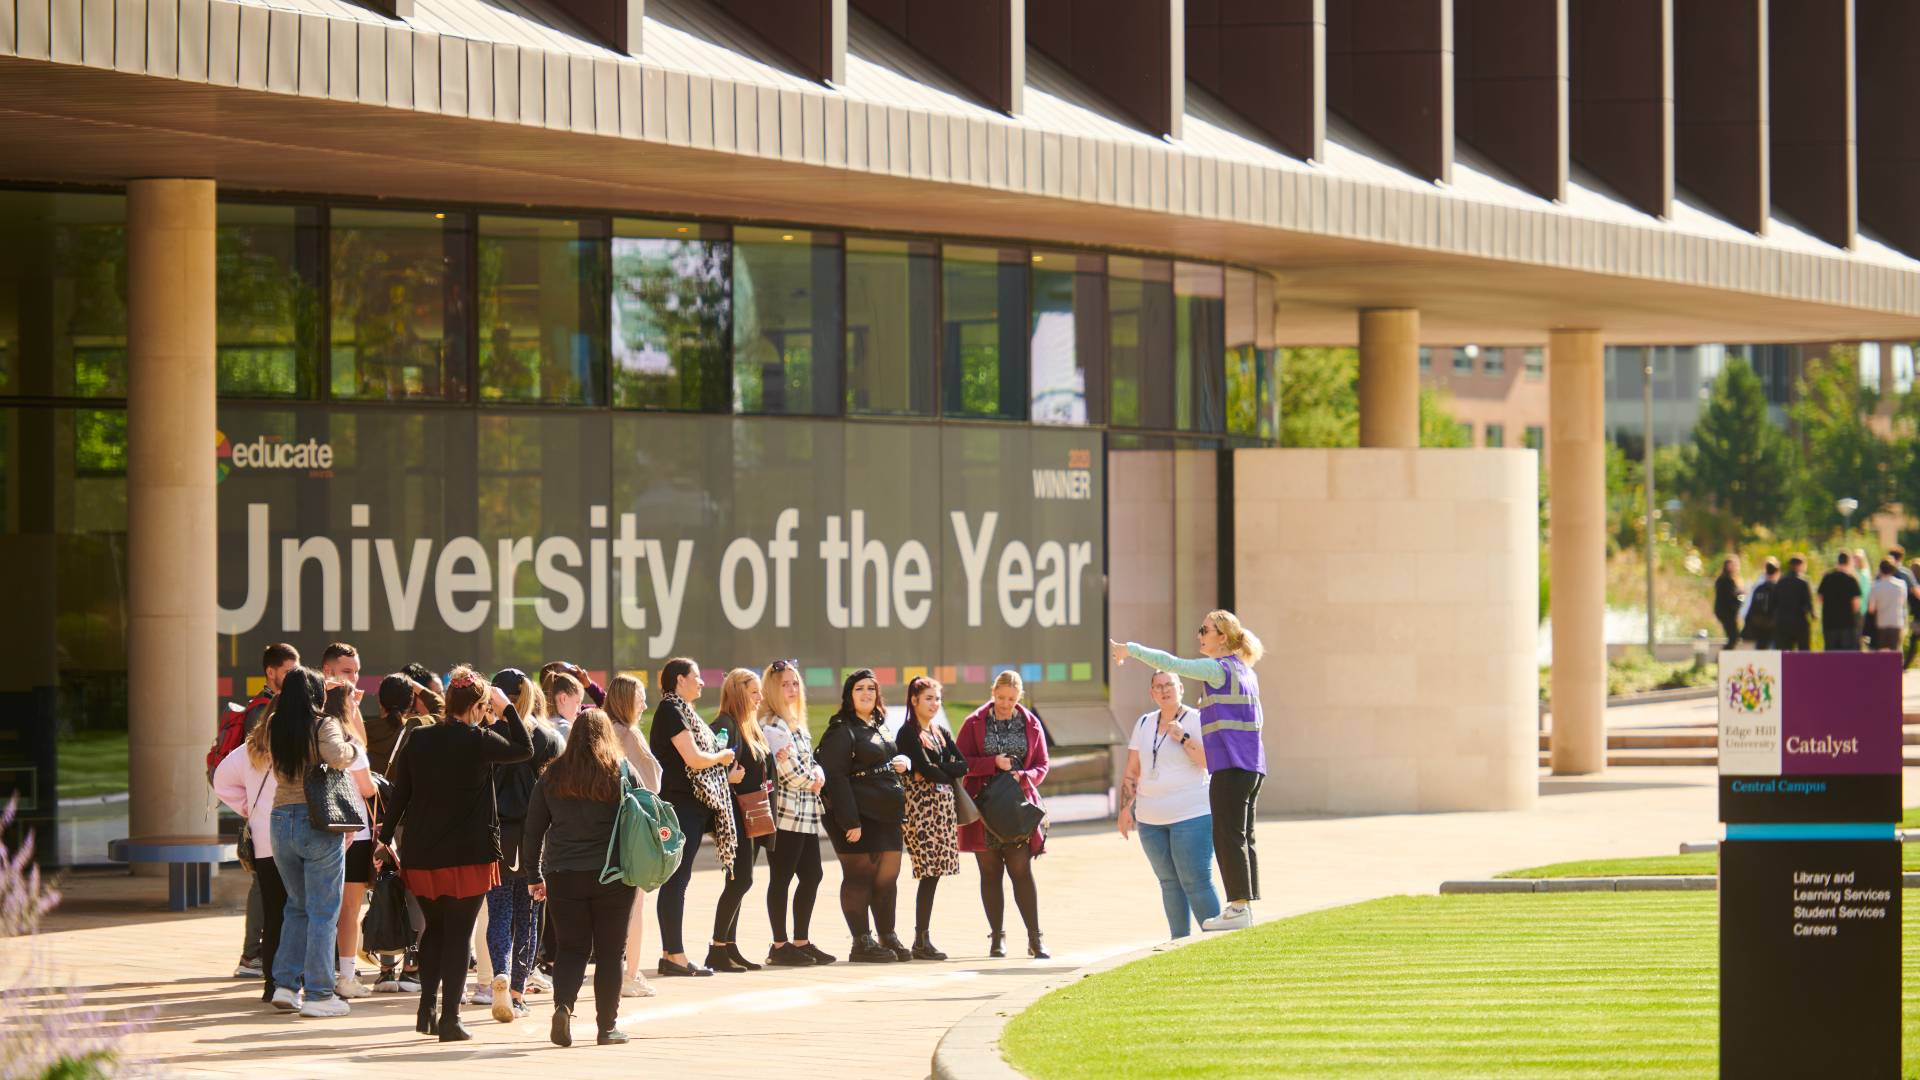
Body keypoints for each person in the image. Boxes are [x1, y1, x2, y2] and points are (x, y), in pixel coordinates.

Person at [381, 665, 533, 1042]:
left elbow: (400, 794)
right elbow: (524, 749)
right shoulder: (479, 739)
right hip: (468, 855)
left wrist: (384, 839)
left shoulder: (418, 739)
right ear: (479, 706)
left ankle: (426, 1008)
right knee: (458, 935)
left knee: (434, 930)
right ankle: (449, 1019)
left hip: (423, 854)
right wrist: (507, 709)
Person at [1112, 608, 1268, 932]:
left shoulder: (1219, 668)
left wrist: (1131, 649)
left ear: (1221, 637)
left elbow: (1173, 664)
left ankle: (1238, 906)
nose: (1200, 635)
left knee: (1228, 835)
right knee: (1242, 835)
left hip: (1230, 765)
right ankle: (1244, 905)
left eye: (1205, 630)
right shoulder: (1245, 670)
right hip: (1252, 766)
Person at [523, 708, 638, 1047]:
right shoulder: (620, 771)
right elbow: (645, 812)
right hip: (612, 874)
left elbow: (533, 831)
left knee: (571, 949)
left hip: (563, 873)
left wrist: (533, 874)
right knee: (609, 952)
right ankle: (607, 1028)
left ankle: (563, 1007)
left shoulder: (552, 775)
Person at [264, 666, 358, 1017]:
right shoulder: (323, 723)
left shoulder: (276, 725)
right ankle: (320, 993)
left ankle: (286, 986)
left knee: (297, 906)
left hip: (279, 820)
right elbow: (338, 756)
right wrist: (348, 744)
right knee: (323, 911)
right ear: (317, 695)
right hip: (316, 820)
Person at [482, 668, 565, 1021]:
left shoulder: (485, 736)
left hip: (495, 834)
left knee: (499, 911)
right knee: (529, 916)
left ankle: (499, 972)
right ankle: (517, 990)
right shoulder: (547, 738)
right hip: (536, 836)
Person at [649, 657, 737, 978]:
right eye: (696, 677)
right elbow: (695, 759)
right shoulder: (671, 711)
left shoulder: (682, 711)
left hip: (690, 807)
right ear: (679, 680)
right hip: (680, 807)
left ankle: (672, 954)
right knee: (676, 880)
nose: (702, 682)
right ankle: (674, 955)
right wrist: (722, 757)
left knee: (679, 880)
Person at [818, 669, 913, 963]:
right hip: (856, 816)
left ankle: (887, 934)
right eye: (860, 688)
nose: (866, 694)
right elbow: (835, 777)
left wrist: (902, 762)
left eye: (871, 689)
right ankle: (861, 942)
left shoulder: (878, 725)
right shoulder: (840, 729)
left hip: (886, 815)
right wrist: (850, 821)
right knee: (859, 877)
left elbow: (882, 760)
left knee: (887, 879)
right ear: (849, 695)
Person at [1117, 671, 1220, 939]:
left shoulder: (1197, 719)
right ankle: (1179, 942)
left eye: (1169, 685)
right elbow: (1132, 770)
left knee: (1195, 881)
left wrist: (1184, 738)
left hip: (1191, 815)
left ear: (1181, 689)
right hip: (1150, 820)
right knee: (1169, 882)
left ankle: (1217, 940)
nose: (1164, 691)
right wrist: (1125, 809)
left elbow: (1210, 762)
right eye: (1158, 687)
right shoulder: (1144, 723)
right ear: (1152, 693)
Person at [956, 670, 1051, 958]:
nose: (1005, 703)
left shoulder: (1031, 723)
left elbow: (1042, 765)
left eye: (1011, 699)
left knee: (1021, 869)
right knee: (990, 872)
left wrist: (1023, 777)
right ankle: (997, 937)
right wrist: (992, 763)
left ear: (1019, 696)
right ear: (992, 693)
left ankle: (1035, 939)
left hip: (1018, 808)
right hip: (984, 809)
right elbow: (959, 762)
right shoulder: (974, 722)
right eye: (1000, 698)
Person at [760, 659, 834, 967]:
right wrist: (813, 780)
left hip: (806, 814)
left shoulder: (796, 724)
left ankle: (801, 940)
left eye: (795, 683)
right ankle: (779, 945)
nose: (791, 689)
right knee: (781, 877)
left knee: (813, 874)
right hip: (785, 814)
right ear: (772, 689)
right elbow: (788, 773)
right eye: (784, 684)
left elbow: (810, 761)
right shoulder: (771, 724)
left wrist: (818, 773)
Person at [234, 642, 300, 981]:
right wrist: (249, 808)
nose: (292, 678)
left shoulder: (275, 709)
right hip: (269, 816)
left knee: (270, 887)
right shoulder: (262, 711)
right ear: (270, 672)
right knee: (265, 887)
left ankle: (263, 959)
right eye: (287, 672)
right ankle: (253, 956)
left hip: (275, 813)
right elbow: (245, 767)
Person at [212, 705, 286, 1004]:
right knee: (297, 912)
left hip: (263, 841)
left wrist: (248, 808)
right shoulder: (295, 745)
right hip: (295, 838)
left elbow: (221, 781)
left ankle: (272, 982)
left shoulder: (249, 749)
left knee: (273, 912)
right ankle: (291, 979)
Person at [896, 675, 965, 961]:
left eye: (938, 699)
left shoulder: (939, 732)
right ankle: (920, 939)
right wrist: (938, 768)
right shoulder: (908, 733)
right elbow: (928, 769)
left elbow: (963, 764)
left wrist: (937, 769)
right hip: (920, 811)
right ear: (914, 700)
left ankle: (922, 938)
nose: (935, 704)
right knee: (927, 872)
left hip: (942, 810)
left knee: (935, 874)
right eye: (929, 698)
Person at [707, 669, 770, 973]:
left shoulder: (748, 726)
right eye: (754, 692)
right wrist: (727, 776)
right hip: (734, 814)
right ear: (738, 692)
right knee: (740, 879)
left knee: (740, 880)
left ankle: (729, 946)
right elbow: (711, 763)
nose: (760, 698)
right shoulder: (725, 725)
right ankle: (717, 948)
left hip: (751, 814)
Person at [603, 673, 662, 997]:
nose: (644, 705)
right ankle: (631, 973)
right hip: (634, 829)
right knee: (635, 906)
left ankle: (620, 972)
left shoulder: (603, 731)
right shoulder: (629, 734)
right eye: (640, 698)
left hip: (608, 831)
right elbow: (651, 782)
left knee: (615, 906)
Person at [321, 683, 379, 1000]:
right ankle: (345, 975)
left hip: (321, 831)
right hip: (354, 833)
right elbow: (368, 788)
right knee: (349, 910)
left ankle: (320, 973)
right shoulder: (349, 743)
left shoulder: (317, 737)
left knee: (321, 908)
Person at [1817, 552, 1862, 652]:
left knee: (1831, 655)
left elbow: (1820, 598)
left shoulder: (1827, 577)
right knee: (1846, 655)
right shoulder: (1851, 580)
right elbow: (1856, 604)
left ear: (1837, 562)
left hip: (1829, 623)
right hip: (1847, 624)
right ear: (1849, 562)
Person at [1772, 555, 1814, 651]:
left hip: (1782, 623)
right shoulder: (1803, 582)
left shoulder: (1780, 581)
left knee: (1784, 652)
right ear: (1800, 566)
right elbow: (1808, 603)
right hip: (1800, 622)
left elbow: (1773, 602)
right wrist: (1812, 615)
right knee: (1804, 652)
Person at [1869, 560, 1910, 651]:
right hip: (1896, 621)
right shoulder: (1901, 585)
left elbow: (1871, 608)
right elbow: (1903, 602)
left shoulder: (1875, 586)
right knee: (1896, 652)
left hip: (1882, 622)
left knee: (1882, 653)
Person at [1740, 558, 1780, 648]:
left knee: (1760, 652)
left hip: (1759, 627)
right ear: (1777, 573)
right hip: (1773, 628)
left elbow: (1751, 608)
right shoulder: (1778, 588)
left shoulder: (1758, 588)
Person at [542, 668, 587, 741]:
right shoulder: (566, 730)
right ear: (563, 699)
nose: (579, 709)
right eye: (577, 702)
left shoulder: (540, 726)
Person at [1713, 558, 1743, 650]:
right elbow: (1730, 598)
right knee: (1733, 637)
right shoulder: (1724, 580)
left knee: (1734, 637)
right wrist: (1740, 598)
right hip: (1726, 612)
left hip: (1728, 612)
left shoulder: (1730, 580)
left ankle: (1725, 657)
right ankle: (1722, 657)